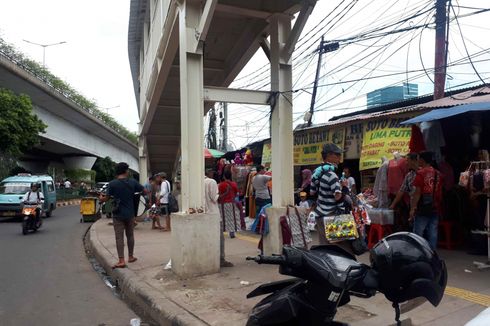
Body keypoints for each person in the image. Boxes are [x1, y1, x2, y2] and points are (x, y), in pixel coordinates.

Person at [99, 162, 144, 269]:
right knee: (130, 235)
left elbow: (106, 198)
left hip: (118, 213)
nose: (128, 171)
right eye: (127, 170)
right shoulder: (133, 182)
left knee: (119, 237)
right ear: (125, 171)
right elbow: (144, 190)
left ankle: (121, 260)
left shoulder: (112, 184)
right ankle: (131, 256)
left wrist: (101, 198)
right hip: (130, 213)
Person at [310, 143, 343, 246]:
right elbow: (337, 196)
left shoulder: (318, 173)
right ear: (329, 155)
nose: (339, 158)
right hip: (331, 216)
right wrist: (344, 189)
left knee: (324, 246)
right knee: (335, 247)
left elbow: (312, 192)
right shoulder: (332, 175)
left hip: (319, 215)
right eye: (337, 155)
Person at [410, 151, 443, 250]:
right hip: (435, 206)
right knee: (433, 231)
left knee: (418, 232)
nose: (417, 161)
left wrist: (413, 207)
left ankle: (418, 253)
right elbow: (440, 192)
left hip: (423, 207)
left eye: (418, 159)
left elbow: (417, 193)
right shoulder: (438, 173)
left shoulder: (421, 173)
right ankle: (432, 253)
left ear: (422, 160)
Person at [205, 169, 233, 267]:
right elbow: (216, 198)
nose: (214, 174)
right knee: (220, 238)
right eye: (212, 172)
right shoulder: (211, 182)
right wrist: (227, 192)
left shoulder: (199, 182)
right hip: (213, 214)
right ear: (208, 173)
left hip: (204, 215)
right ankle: (221, 260)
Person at [218, 170, 240, 239]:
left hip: (222, 203)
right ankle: (232, 233)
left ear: (224, 177)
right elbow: (236, 192)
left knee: (223, 218)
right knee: (232, 218)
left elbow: (219, 193)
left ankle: (222, 232)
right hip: (231, 203)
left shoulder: (221, 184)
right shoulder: (233, 184)